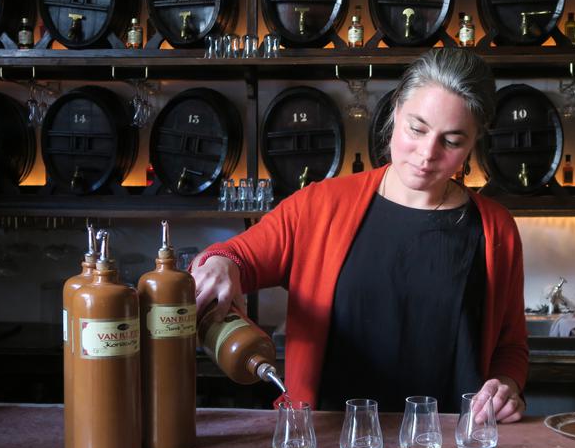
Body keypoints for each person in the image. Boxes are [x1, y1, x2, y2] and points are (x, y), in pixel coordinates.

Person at [192, 49, 528, 423]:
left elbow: (510, 346)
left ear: (473, 143)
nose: (427, 153)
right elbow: (238, 256)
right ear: (396, 111)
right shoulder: (321, 206)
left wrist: (505, 386)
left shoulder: (496, 229)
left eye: (451, 141)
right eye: (417, 129)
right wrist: (221, 263)